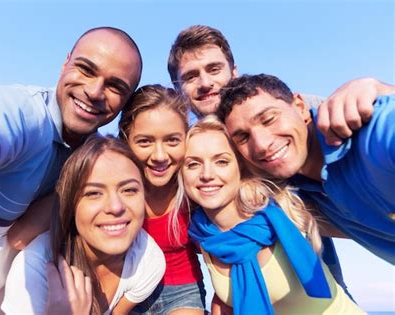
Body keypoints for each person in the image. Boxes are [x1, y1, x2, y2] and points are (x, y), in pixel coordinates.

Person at [0, 26, 142, 314]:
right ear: (66, 62)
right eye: (86, 69)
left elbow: (22, 237)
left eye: (115, 86)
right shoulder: (24, 114)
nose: (94, 91)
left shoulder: (96, 161)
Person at [182, 115, 364, 314]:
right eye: (193, 164)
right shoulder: (201, 236)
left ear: (240, 167)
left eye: (222, 161)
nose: (207, 174)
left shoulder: (286, 209)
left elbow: (365, 226)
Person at [217, 73, 395, 264]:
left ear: (300, 107)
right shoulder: (293, 194)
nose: (261, 144)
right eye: (243, 137)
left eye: (269, 119)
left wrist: (381, 88)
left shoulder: (373, 136)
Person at [2, 135, 165, 314]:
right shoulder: (35, 269)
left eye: (129, 190)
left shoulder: (148, 259)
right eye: (93, 193)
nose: (116, 207)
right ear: (70, 205)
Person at [167, 24, 392, 145]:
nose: (205, 83)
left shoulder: (291, 108)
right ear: (178, 89)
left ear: (234, 73)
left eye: (214, 69)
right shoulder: (188, 148)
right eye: (191, 77)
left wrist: (376, 88)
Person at [118, 85, 206, 314]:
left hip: (182, 291)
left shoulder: (195, 189)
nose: (159, 156)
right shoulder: (113, 187)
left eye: (172, 141)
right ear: (126, 139)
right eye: (145, 142)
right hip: (124, 291)